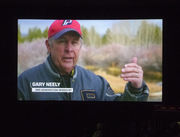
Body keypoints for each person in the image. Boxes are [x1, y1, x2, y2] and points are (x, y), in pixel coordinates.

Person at [18, 19, 149, 101]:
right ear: (48, 46)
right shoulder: (24, 82)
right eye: (62, 42)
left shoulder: (96, 82)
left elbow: (120, 114)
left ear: (80, 47)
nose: (69, 49)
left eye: (74, 43)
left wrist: (135, 89)